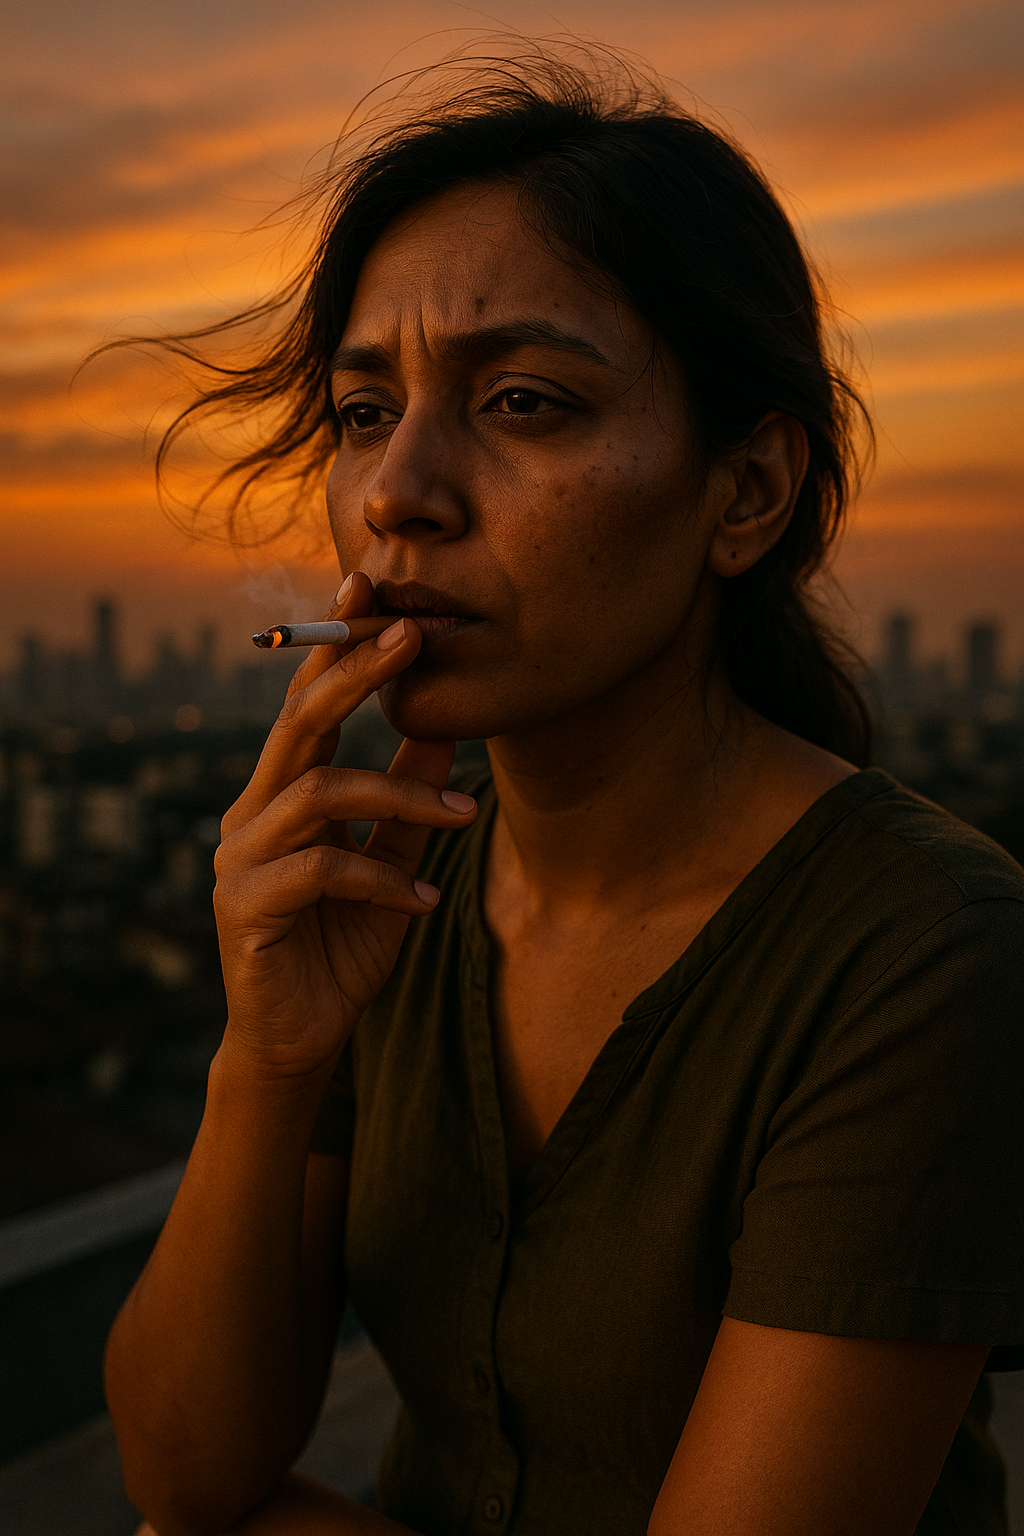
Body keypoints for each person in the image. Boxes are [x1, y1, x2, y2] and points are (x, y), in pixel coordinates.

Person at [104, 46, 1023, 1536]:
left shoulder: (920, 955)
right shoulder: (387, 894)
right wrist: (266, 1057)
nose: (399, 493)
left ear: (746, 492)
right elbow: (185, 1468)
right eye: (362, 413)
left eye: (522, 402)